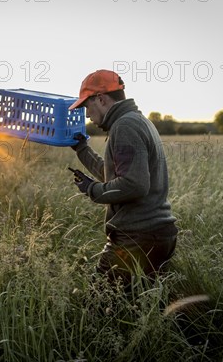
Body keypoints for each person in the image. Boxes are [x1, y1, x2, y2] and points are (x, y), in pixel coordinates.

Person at [68, 69, 178, 288]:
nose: (87, 115)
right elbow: (119, 175)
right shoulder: (136, 121)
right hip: (154, 236)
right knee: (139, 312)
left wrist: (93, 190)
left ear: (100, 98)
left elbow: (134, 184)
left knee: (98, 308)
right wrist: (82, 150)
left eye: (86, 106)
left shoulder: (125, 126)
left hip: (137, 238)